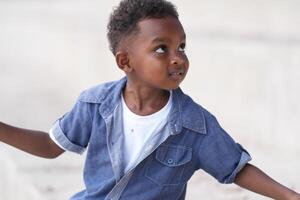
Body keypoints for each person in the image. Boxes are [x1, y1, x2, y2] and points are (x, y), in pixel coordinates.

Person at [0, 0, 299, 199]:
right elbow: (51, 146)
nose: (178, 58)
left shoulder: (195, 125)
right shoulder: (94, 105)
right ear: (125, 62)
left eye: (181, 46)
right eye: (161, 49)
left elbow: (235, 168)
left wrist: (289, 195)